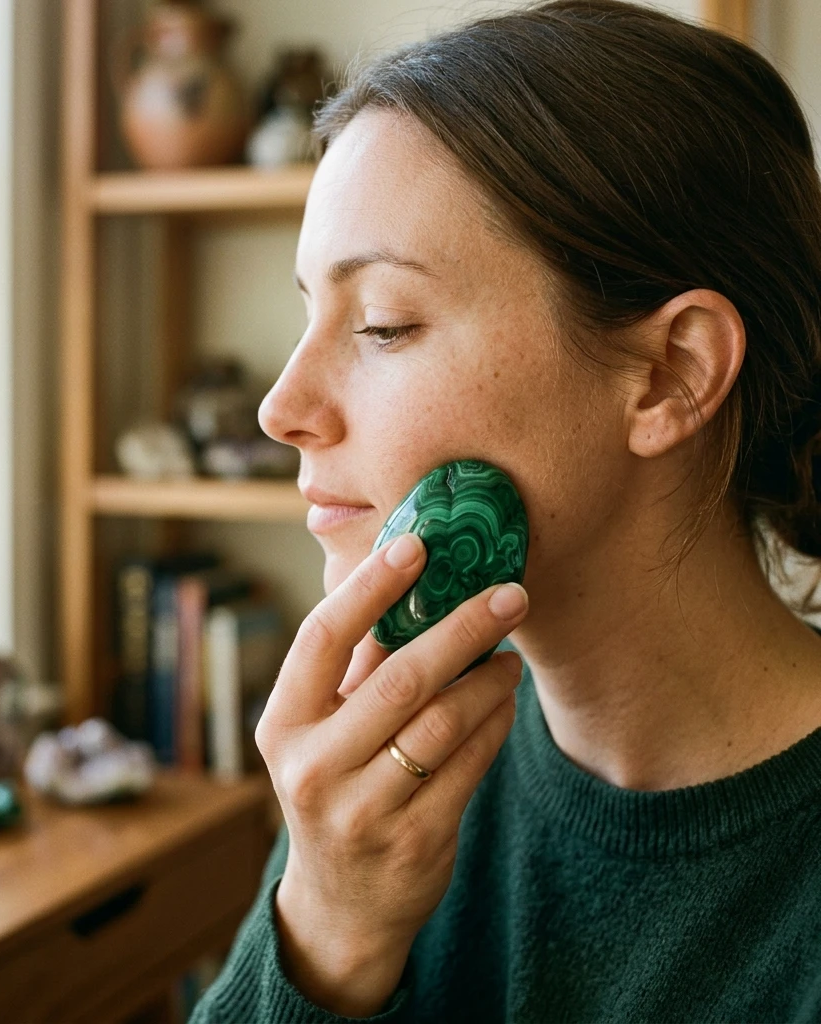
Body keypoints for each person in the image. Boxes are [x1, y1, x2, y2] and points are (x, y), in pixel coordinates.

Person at [190, 1, 821, 1020]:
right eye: (310, 313)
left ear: (670, 373)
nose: (280, 409)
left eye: (384, 324)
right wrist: (326, 930)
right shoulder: (388, 773)